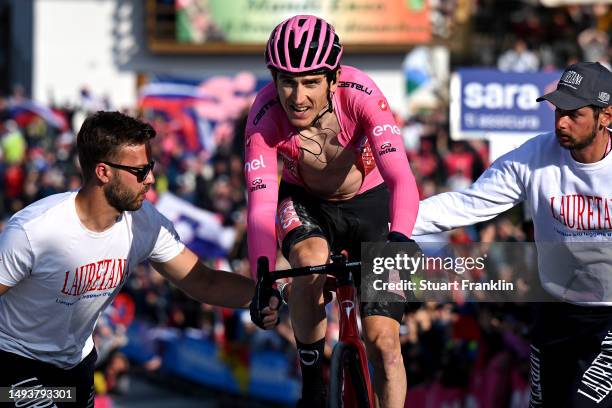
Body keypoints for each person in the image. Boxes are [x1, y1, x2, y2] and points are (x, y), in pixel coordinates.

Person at [0, 111, 279, 408]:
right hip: (16, 363)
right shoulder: (34, 231)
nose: (151, 179)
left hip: (75, 366)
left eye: (151, 167)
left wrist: (263, 294)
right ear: (103, 172)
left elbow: (203, 280)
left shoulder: (144, 222)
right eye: (140, 171)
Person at [411, 62, 612, 407]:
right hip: (553, 311)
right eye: (558, 110)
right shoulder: (534, 156)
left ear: (606, 116)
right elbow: (467, 204)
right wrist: (389, 223)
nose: (561, 122)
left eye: (574, 114)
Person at [245, 15, 420, 408]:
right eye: (287, 81)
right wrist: (262, 278)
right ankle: (313, 385)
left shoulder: (361, 95)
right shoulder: (262, 115)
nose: (297, 96)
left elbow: (401, 179)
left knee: (384, 344)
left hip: (370, 205)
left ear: (334, 78)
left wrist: (399, 240)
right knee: (308, 261)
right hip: (308, 204)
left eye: (310, 82)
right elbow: (260, 202)